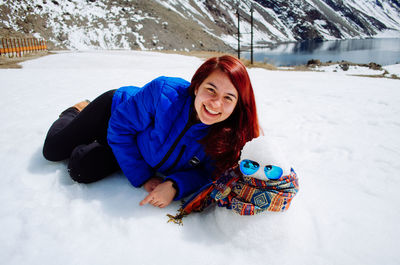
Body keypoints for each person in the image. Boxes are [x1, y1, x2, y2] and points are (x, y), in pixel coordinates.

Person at [42, 55, 260, 209]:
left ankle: (92, 141)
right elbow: (120, 128)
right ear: (196, 87)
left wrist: (175, 185)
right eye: (210, 90)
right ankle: (75, 112)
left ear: (236, 105)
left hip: (134, 144)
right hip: (114, 114)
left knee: (81, 169)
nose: (215, 103)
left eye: (228, 98)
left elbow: (207, 173)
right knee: (52, 151)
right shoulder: (164, 92)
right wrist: (144, 177)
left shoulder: (227, 137)